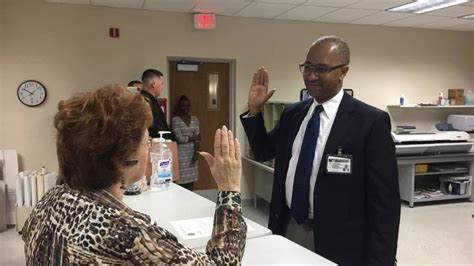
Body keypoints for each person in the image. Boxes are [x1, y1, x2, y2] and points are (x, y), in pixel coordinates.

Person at [23, 85, 246, 265]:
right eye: (146, 143)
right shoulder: (129, 234)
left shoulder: (49, 201)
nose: (149, 148)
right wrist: (229, 189)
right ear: (124, 160)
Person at [240, 36, 400, 265]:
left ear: (343, 72)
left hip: (340, 241)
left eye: (321, 69)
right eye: (307, 67)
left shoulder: (370, 122)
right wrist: (254, 110)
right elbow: (264, 151)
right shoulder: (293, 114)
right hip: (289, 225)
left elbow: (385, 205)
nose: (311, 76)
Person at [171, 95, 200, 190]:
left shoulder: (195, 119)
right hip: (181, 155)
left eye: (187, 105)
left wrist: (196, 152)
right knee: (181, 181)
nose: (185, 108)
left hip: (192, 154)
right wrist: (194, 137)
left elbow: (198, 138)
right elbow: (180, 139)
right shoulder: (175, 120)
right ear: (179, 106)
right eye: (183, 105)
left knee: (191, 181)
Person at [140, 69, 175, 140]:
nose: (162, 87)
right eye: (161, 83)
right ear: (154, 84)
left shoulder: (151, 101)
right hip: (154, 144)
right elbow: (155, 127)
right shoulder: (144, 102)